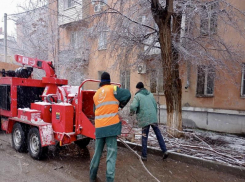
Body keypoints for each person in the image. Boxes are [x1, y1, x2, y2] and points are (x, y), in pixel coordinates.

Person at [90, 72, 131, 182]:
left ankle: (92, 176)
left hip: (99, 128)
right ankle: (109, 179)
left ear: (101, 82)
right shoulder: (113, 89)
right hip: (111, 127)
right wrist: (120, 105)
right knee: (111, 154)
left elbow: (95, 111)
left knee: (97, 153)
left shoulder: (96, 94)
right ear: (109, 81)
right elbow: (128, 94)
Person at [130, 82, 168, 161]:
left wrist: (131, 113)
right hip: (153, 117)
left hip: (145, 118)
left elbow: (133, 106)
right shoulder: (150, 94)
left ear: (138, 88)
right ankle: (165, 150)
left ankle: (144, 155)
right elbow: (155, 105)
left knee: (144, 136)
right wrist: (154, 116)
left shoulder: (137, 96)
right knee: (158, 134)